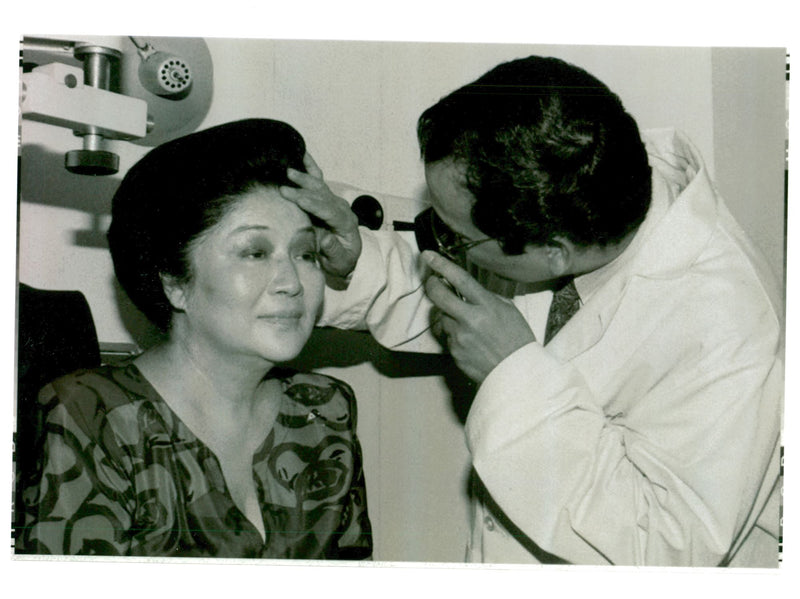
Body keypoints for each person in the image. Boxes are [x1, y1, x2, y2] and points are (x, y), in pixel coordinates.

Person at [280, 56, 783, 566]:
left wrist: (512, 375)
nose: (440, 241)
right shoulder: (582, 188)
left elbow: (670, 546)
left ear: (553, 253)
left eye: (452, 234)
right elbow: (456, 281)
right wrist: (355, 260)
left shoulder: (729, 326)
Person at [15, 119, 372, 559]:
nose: (292, 282)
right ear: (175, 283)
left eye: (305, 253)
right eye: (255, 252)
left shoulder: (325, 410)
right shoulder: (90, 416)